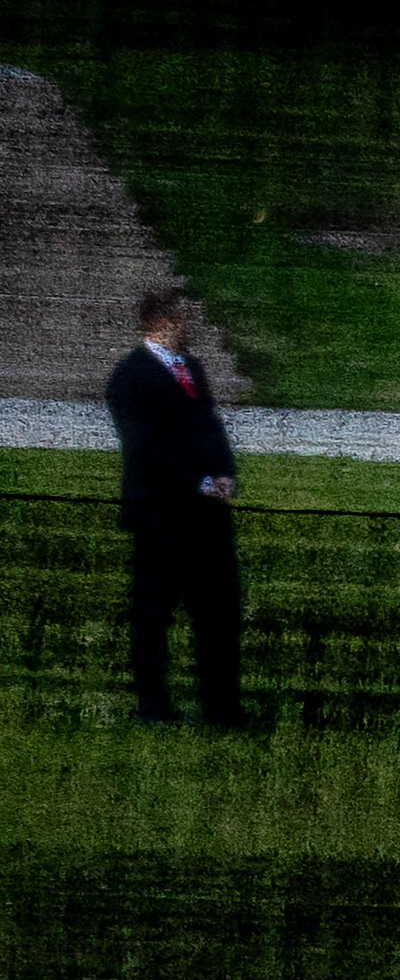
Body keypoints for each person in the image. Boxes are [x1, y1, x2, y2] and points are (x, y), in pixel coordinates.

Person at [107, 285, 238, 731]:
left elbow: (211, 427)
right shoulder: (130, 377)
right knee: (153, 616)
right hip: (160, 517)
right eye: (183, 318)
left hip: (205, 518)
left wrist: (225, 472)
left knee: (217, 615)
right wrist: (198, 481)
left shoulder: (193, 370)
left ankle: (221, 709)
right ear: (161, 322)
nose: (190, 326)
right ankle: (153, 708)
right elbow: (147, 446)